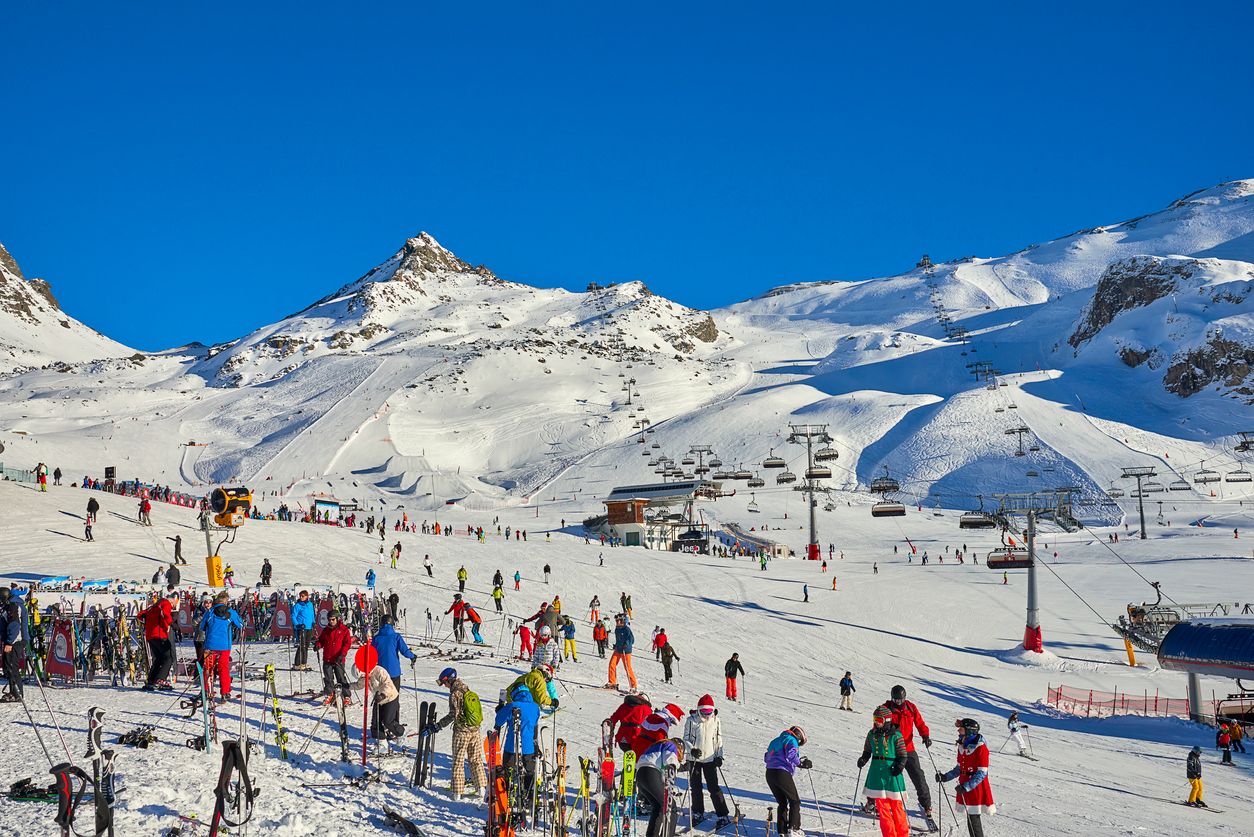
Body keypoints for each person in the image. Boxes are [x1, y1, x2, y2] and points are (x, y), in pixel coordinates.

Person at [431, 667, 487, 799]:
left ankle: (457, 792)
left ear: (449, 680)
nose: (444, 685)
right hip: (475, 730)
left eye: (444, 683)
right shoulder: (467, 689)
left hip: (462, 731)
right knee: (476, 759)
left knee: (458, 761)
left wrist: (439, 725)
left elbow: (453, 715)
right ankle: (481, 789)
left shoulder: (455, 693)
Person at [882, 684, 933, 821]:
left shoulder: (911, 707)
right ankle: (874, 802)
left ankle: (926, 805)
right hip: (892, 749)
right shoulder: (886, 708)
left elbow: (920, 723)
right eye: (895, 700)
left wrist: (925, 735)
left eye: (900, 700)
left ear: (904, 698)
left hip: (908, 748)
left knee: (918, 776)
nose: (898, 702)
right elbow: (878, 724)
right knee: (884, 775)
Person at [937, 718, 995, 837]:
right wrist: (945, 777)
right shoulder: (962, 745)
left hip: (975, 787)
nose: (958, 731)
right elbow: (959, 768)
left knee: (974, 817)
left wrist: (967, 786)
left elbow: (982, 773)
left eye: (961, 729)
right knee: (970, 816)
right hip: (965, 785)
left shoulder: (980, 748)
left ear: (969, 731)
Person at [859, 706, 909, 837]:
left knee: (896, 806)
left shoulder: (896, 735)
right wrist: (863, 759)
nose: (877, 722)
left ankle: (903, 834)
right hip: (877, 772)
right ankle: (889, 835)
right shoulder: (872, 733)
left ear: (887, 720)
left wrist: (900, 765)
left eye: (879, 719)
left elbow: (903, 754)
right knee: (883, 808)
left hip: (892, 773)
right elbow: (867, 750)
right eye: (875, 719)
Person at [683, 695, 731, 829]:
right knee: (696, 787)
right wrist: (691, 750)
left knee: (713, 787)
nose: (706, 716)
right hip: (694, 759)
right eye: (704, 713)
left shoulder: (716, 720)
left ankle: (723, 815)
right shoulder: (691, 720)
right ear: (699, 710)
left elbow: (718, 740)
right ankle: (698, 813)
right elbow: (686, 738)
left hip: (710, 758)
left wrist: (719, 756)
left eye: (709, 713)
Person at [494, 684, 540, 815]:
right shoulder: (535, 707)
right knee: (529, 773)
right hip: (529, 747)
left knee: (508, 772)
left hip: (512, 747)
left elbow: (498, 721)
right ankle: (530, 798)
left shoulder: (512, 705)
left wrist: (500, 709)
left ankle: (507, 797)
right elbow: (535, 724)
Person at [636, 709, 683, 837]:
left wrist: (682, 767)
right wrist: (672, 778)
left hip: (640, 775)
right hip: (651, 773)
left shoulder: (657, 745)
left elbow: (663, 761)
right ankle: (669, 834)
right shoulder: (670, 745)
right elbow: (670, 760)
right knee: (670, 806)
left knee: (658, 807)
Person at [764, 725, 810, 837]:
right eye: (800, 743)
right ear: (799, 737)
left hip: (770, 773)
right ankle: (794, 829)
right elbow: (791, 754)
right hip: (781, 773)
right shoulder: (791, 740)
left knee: (782, 802)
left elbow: (766, 757)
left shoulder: (775, 741)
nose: (799, 745)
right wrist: (801, 763)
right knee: (794, 801)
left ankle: (782, 831)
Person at [198, 591, 243, 702]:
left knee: (208, 669)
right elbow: (241, 624)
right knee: (223, 668)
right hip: (224, 645)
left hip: (210, 644)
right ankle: (225, 692)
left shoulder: (209, 612)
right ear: (226, 601)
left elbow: (202, 627)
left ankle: (205, 691)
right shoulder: (231, 612)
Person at [138, 591, 176, 691]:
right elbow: (166, 613)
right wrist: (172, 624)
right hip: (159, 635)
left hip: (150, 636)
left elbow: (140, 615)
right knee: (169, 657)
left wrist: (146, 622)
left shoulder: (153, 607)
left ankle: (151, 679)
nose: (172, 608)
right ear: (171, 602)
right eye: (173, 606)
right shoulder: (165, 603)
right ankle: (160, 679)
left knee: (159, 658)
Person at [316, 611, 354, 705]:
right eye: (329, 620)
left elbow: (347, 643)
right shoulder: (326, 630)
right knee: (328, 678)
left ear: (337, 619)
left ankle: (346, 696)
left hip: (338, 659)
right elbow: (321, 640)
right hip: (328, 658)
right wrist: (318, 645)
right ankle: (330, 694)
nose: (331, 621)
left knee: (341, 678)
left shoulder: (344, 630)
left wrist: (342, 654)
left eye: (333, 619)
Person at [372, 615, 416, 689]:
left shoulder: (376, 638)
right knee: (394, 695)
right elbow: (404, 651)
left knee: (382, 695)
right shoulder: (396, 637)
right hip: (394, 671)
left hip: (381, 672)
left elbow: (372, 654)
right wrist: (412, 656)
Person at [0, 588, 29, 702]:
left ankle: (17, 693)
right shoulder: (8, 606)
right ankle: (13, 691)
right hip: (11, 640)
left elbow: (15, 625)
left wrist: (9, 642)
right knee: (8, 666)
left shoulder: (13, 606)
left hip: (16, 640)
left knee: (12, 666)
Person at [368, 662, 406, 739]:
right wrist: (346, 686)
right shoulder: (366, 676)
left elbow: (388, 685)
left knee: (388, 721)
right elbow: (359, 684)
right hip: (379, 699)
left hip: (389, 697)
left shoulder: (379, 671)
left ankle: (400, 733)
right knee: (375, 723)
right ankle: (382, 742)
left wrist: (382, 695)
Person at [607, 613, 637, 690]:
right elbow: (619, 639)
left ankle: (633, 686)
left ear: (622, 621)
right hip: (618, 650)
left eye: (619, 621)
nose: (617, 622)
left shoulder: (626, 629)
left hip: (625, 651)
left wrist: (626, 644)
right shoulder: (617, 629)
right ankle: (612, 682)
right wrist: (616, 645)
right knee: (612, 664)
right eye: (616, 621)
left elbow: (632, 639)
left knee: (627, 668)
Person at [291, 590, 315, 670]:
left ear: (307, 596)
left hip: (309, 627)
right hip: (301, 628)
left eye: (303, 596)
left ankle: (304, 663)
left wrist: (313, 622)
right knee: (302, 646)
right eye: (300, 596)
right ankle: (298, 664)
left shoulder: (310, 604)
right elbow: (293, 616)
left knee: (306, 646)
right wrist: (297, 624)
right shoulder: (297, 605)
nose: (301, 597)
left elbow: (312, 614)